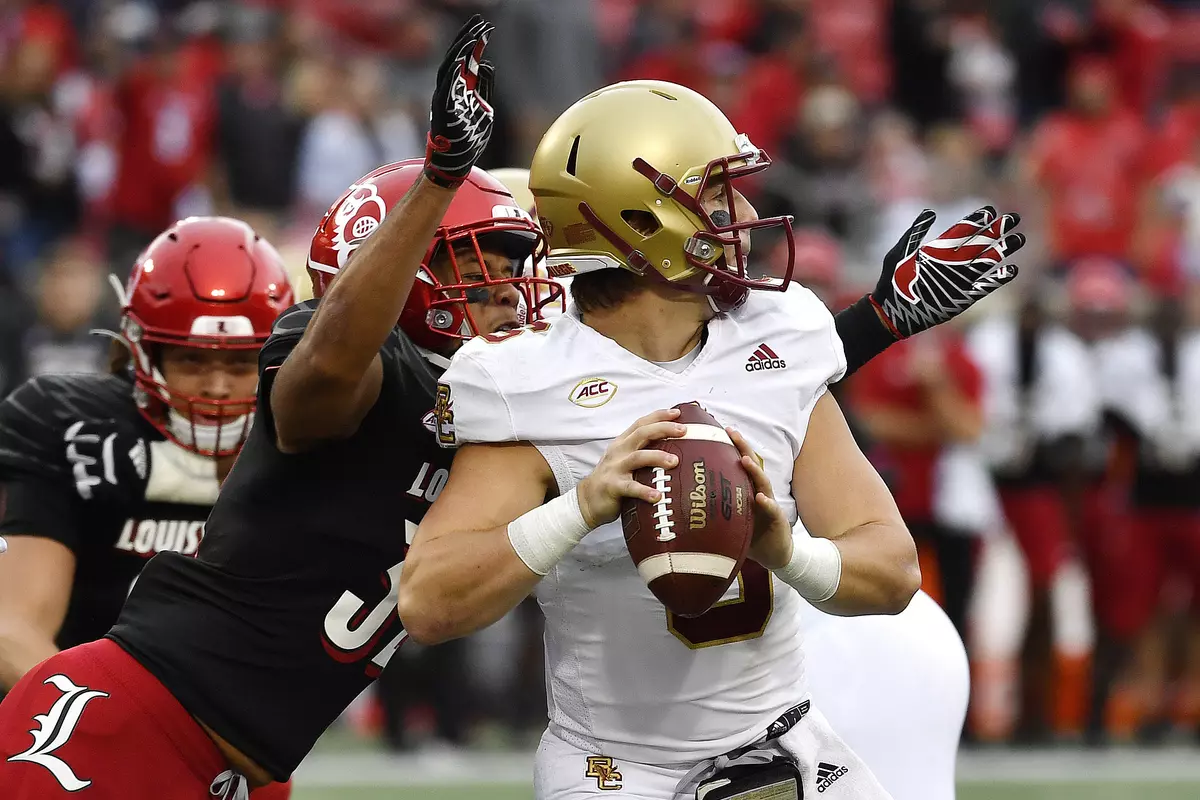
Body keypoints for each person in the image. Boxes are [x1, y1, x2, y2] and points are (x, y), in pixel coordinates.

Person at [402, 79, 1023, 800]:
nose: (749, 215)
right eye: (719, 196)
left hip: (786, 745)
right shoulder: (527, 379)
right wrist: (580, 507)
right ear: (637, 221)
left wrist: (789, 552)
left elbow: (892, 574)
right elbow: (428, 603)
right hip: (614, 770)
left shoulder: (782, 336)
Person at [0, 16, 516, 798]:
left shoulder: (489, 406)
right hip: (120, 722)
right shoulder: (347, 358)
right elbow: (338, 357)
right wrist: (438, 179)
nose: (509, 294)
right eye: (480, 268)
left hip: (247, 769)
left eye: (517, 269)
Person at [0, 216, 296, 798]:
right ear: (143, 352)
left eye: (238, 363)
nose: (214, 388)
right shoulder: (72, 426)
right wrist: (125, 735)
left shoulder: (301, 446)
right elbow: (14, 628)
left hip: (220, 730)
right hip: (54, 718)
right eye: (191, 359)